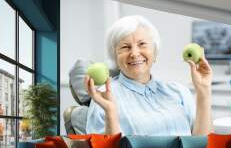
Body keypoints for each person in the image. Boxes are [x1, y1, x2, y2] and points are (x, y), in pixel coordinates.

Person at [84, 15, 213, 136]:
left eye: (142, 44)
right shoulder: (105, 96)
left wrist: (203, 91)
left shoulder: (178, 91)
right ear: (115, 57)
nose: (134, 53)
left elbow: (202, 144)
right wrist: (110, 112)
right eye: (125, 47)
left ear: (155, 52)